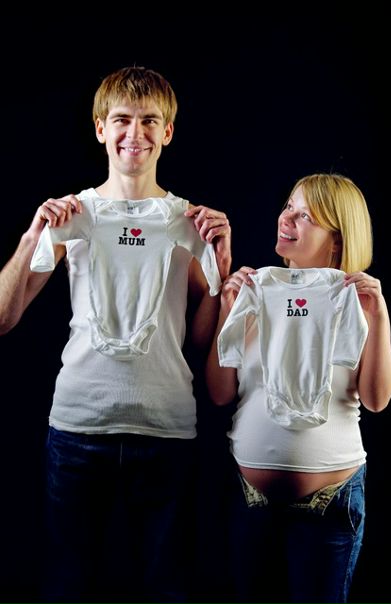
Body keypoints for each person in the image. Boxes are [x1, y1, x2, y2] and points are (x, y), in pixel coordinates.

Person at [0, 65, 231, 604]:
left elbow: (201, 342)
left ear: (167, 132)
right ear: (101, 128)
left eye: (149, 120)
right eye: (123, 119)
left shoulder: (188, 222)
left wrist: (221, 273)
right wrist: (32, 235)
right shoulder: (73, 214)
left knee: (168, 588)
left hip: (166, 430)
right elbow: (4, 318)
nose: (135, 133)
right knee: (68, 587)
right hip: (79, 427)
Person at [206, 173, 391, 604]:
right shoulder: (256, 290)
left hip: (332, 501)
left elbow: (377, 399)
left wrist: (379, 317)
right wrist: (226, 310)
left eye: (305, 216)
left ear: (337, 239)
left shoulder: (356, 300)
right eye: (288, 207)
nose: (286, 219)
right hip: (250, 499)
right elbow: (219, 393)